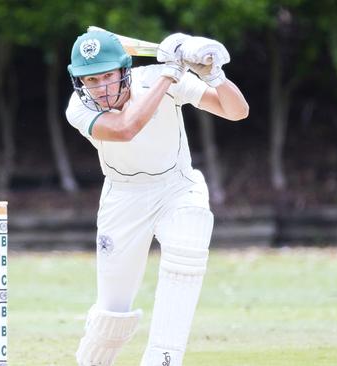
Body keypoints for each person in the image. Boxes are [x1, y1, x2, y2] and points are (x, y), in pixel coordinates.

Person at [65, 29, 249, 366]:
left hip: (176, 187)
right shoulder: (78, 107)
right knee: (111, 315)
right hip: (123, 197)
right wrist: (171, 72)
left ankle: (163, 358)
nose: (101, 87)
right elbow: (125, 128)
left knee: (188, 245)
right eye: (91, 80)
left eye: (107, 75)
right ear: (80, 82)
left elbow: (237, 112)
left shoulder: (155, 78)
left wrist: (215, 76)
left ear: (124, 70)